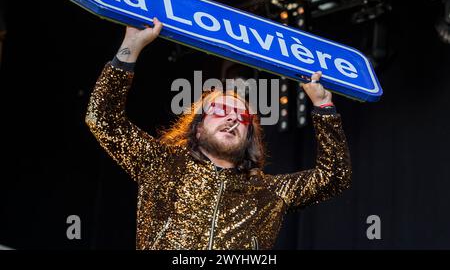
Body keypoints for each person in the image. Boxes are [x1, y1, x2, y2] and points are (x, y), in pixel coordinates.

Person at [85, 18, 351, 250]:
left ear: (250, 138)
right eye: (222, 109)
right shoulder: (160, 164)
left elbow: (334, 177)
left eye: (243, 117)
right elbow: (103, 119)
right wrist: (131, 46)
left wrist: (324, 108)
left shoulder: (270, 191)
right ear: (198, 127)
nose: (233, 117)